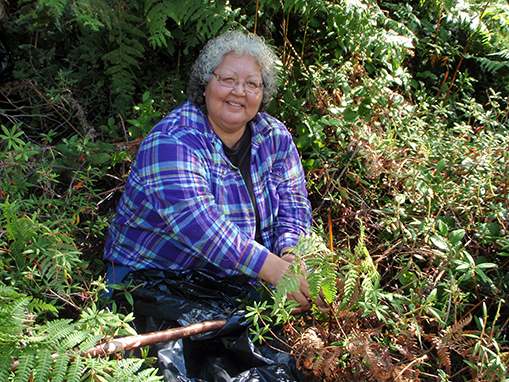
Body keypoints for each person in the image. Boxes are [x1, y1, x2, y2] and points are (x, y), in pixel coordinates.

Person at [104, 30, 324, 312]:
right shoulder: (173, 142)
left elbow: (293, 203)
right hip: (149, 281)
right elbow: (203, 228)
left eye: (252, 84)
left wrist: (291, 255)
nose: (239, 91)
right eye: (228, 79)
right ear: (205, 84)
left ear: (262, 93)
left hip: (231, 279)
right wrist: (276, 272)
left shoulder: (274, 137)